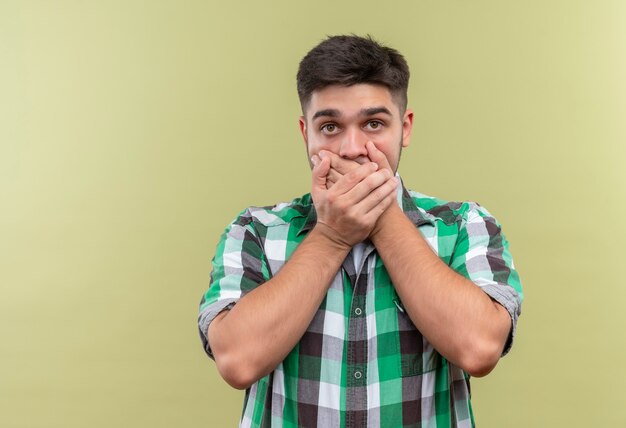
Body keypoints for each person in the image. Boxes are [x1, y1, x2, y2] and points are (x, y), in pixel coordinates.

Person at [198, 35, 523, 427]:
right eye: (331, 126)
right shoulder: (255, 232)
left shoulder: (464, 226)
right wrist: (332, 236)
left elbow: (479, 348)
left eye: (373, 123)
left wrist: (382, 216)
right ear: (307, 134)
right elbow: (237, 360)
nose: (352, 148)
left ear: (405, 128)